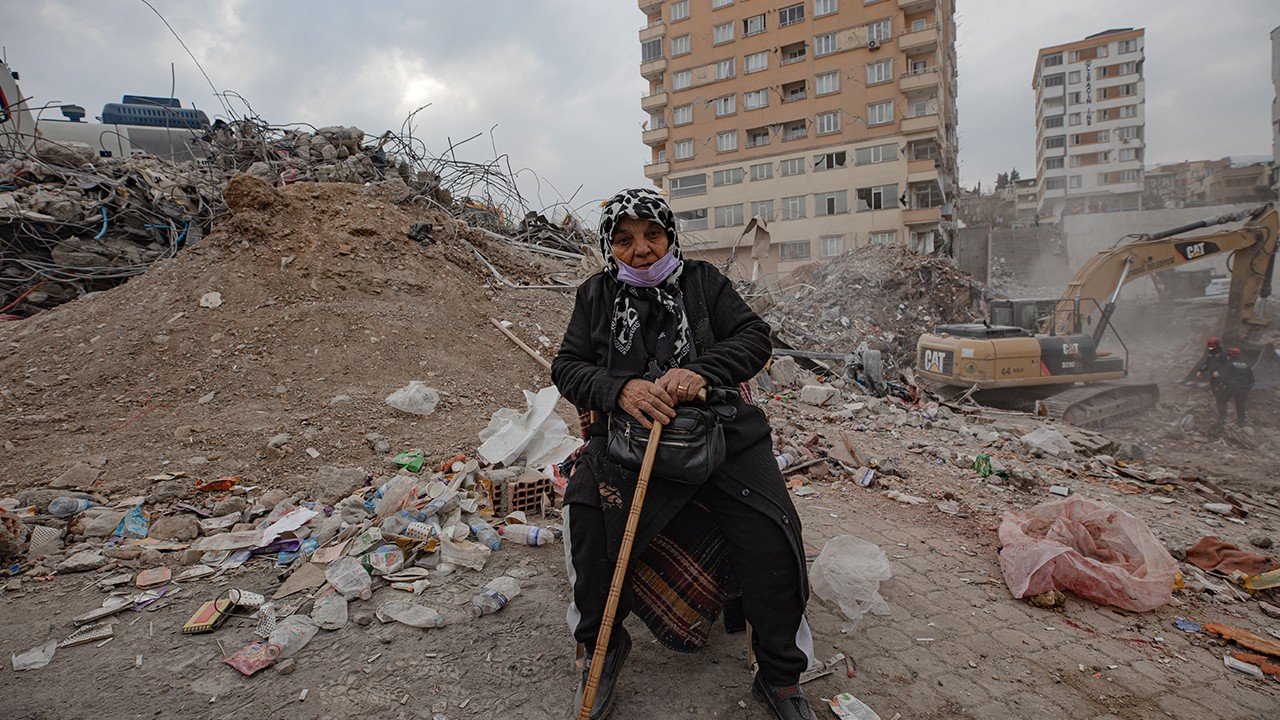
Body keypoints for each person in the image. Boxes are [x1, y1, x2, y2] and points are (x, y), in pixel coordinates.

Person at [551, 188, 814, 720]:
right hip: (628, 442)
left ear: (669, 235)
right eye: (624, 240)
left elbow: (755, 339)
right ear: (610, 245)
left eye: (652, 234)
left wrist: (702, 370)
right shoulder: (594, 296)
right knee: (587, 513)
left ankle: (780, 673)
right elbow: (567, 366)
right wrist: (618, 390)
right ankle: (601, 649)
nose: (641, 249)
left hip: (722, 435)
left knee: (773, 531)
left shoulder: (703, 283)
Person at [1217, 346, 1254, 426]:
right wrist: (1248, 388)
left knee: (1221, 400)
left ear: (1230, 356)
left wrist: (1219, 386)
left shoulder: (1229, 365)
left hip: (1231, 388)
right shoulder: (1246, 365)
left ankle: (1223, 418)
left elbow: (1223, 377)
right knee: (1240, 404)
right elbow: (1252, 379)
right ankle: (1241, 421)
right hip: (1244, 389)